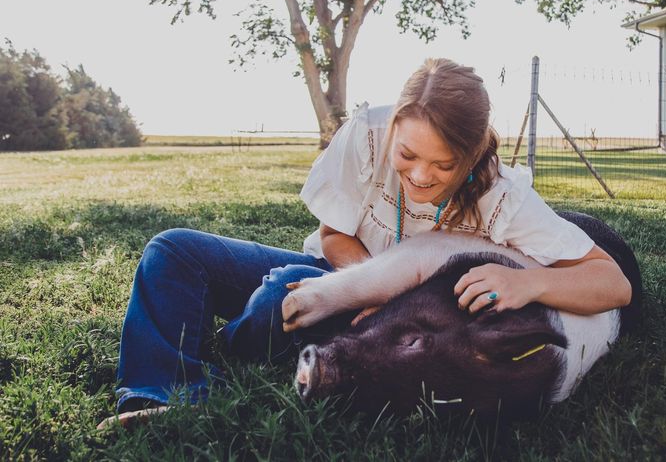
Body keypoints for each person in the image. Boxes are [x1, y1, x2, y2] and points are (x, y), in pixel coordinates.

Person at [103, 58, 631, 427]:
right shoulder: (366, 133)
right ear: (395, 123)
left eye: (444, 164)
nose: (420, 176)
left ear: (472, 157)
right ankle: (160, 393)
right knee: (173, 251)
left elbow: (612, 283)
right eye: (407, 156)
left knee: (282, 292)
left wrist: (529, 282)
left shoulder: (504, 197)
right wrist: (369, 288)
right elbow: (334, 235)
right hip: (337, 273)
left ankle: (240, 343)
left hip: (392, 326)